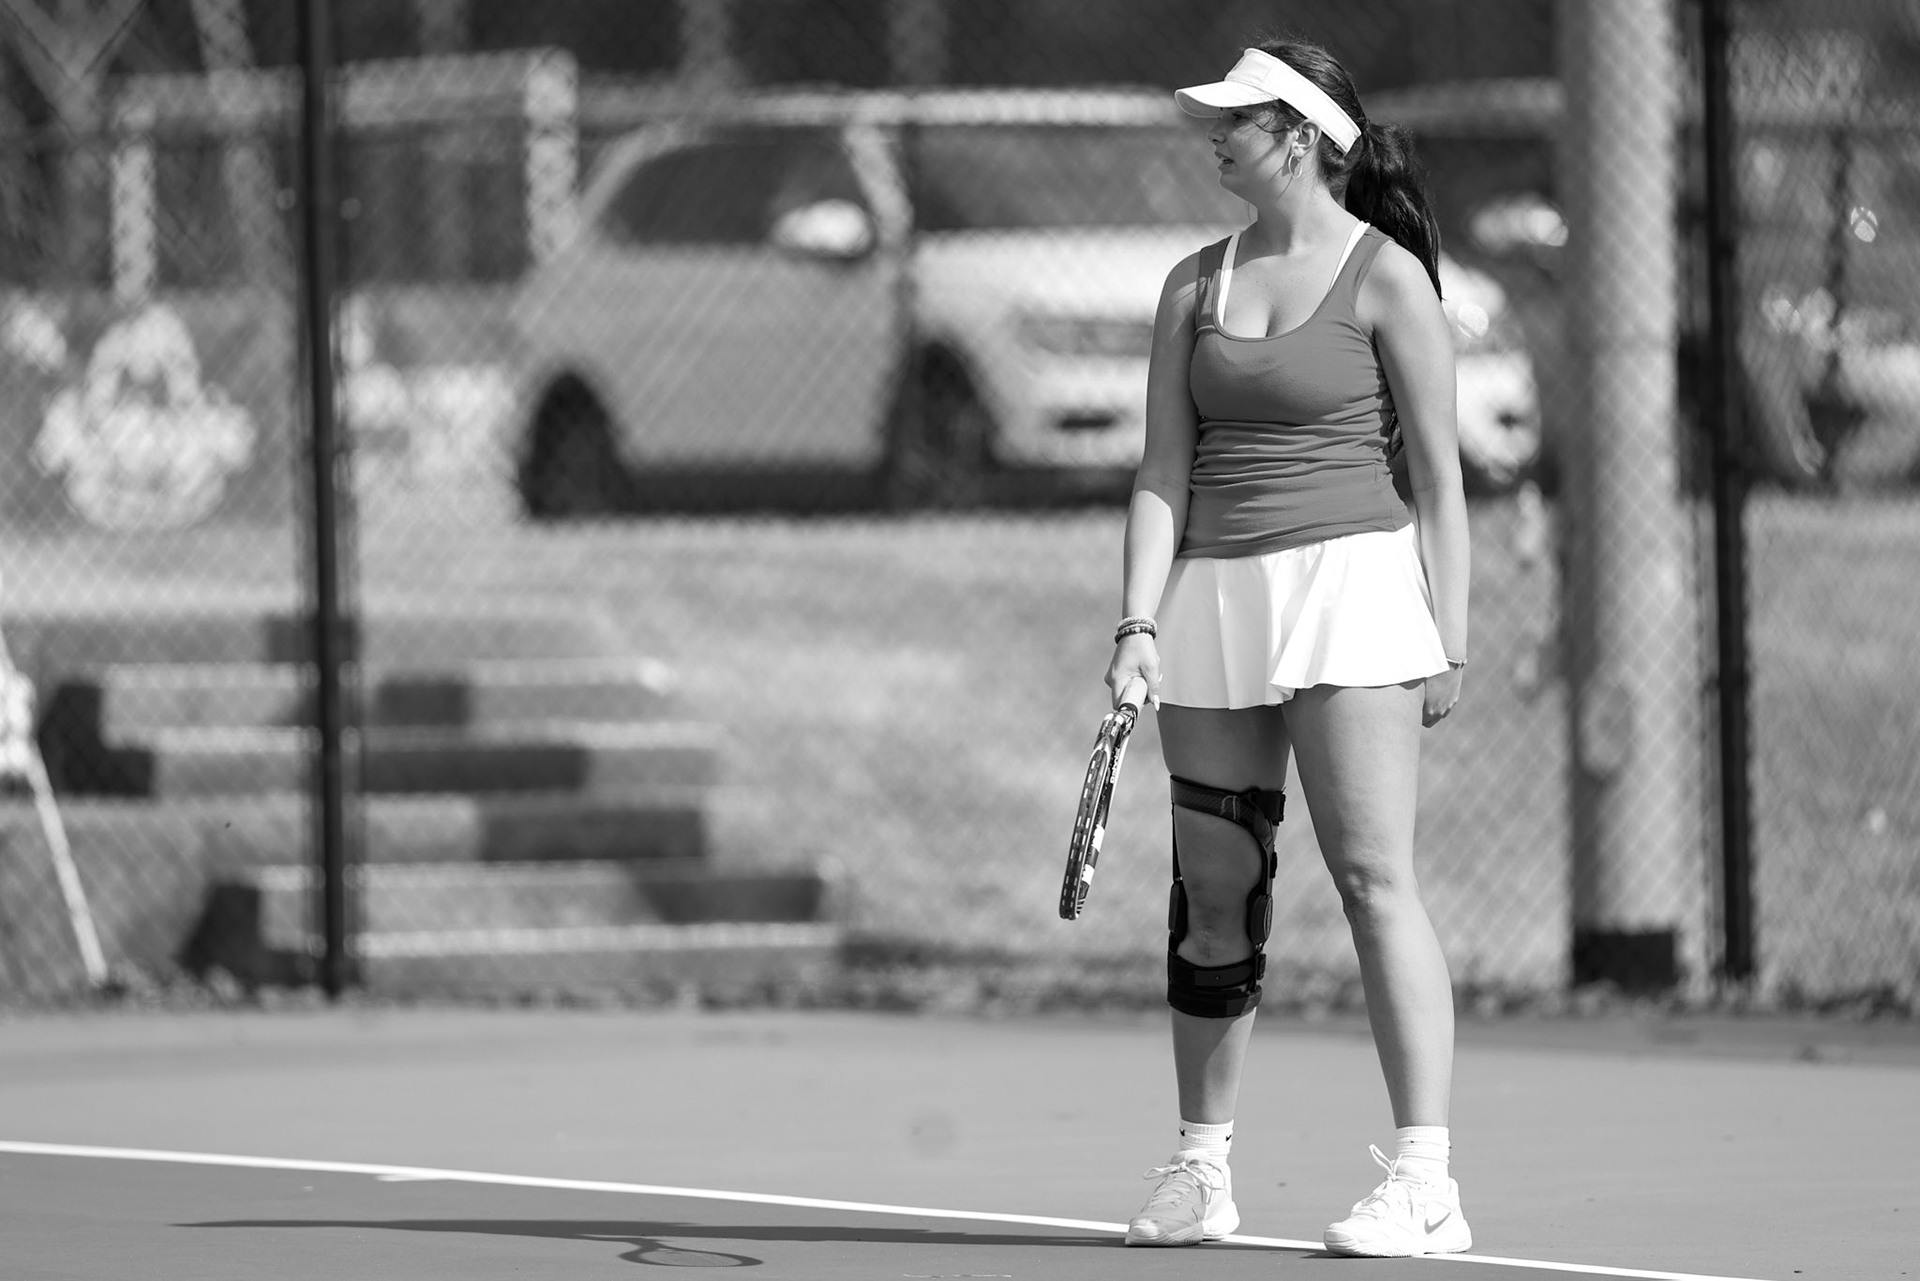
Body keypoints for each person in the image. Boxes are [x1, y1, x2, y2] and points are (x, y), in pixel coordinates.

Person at [1105, 37, 1472, 1258]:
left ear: (1301, 138)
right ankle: (1198, 1171)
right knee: (1215, 891)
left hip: (1356, 593)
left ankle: (1427, 1182)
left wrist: (1449, 636)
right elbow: (1163, 468)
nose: (1213, 136)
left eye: (1236, 122)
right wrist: (1137, 625)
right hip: (1214, 604)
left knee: (1375, 883)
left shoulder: (1386, 281)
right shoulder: (1187, 285)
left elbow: (1441, 475)